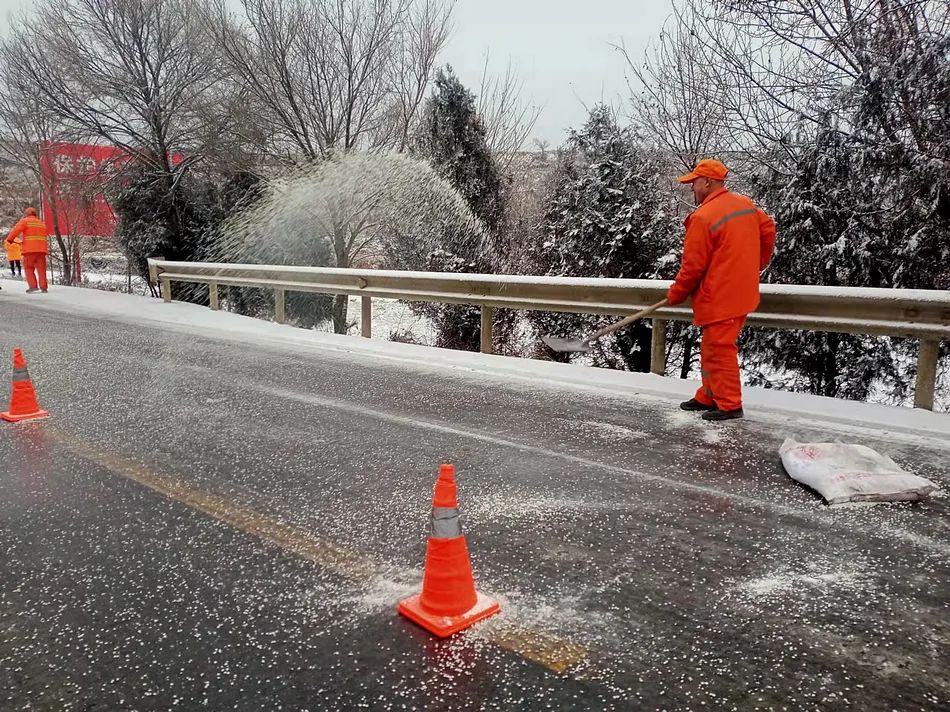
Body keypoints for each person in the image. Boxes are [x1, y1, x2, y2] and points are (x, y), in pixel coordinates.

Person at [666, 159, 776, 421]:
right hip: (741, 291)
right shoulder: (744, 205)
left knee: (720, 347)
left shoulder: (704, 217)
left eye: (694, 182)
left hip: (720, 295)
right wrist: (756, 263)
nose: (692, 188)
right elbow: (768, 229)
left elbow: (692, 266)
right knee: (712, 346)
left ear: (708, 181)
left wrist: (677, 293)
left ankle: (729, 404)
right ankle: (708, 394)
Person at [6, 207, 49, 294]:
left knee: (29, 268)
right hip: (41, 250)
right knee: (41, 269)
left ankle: (33, 286)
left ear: (27, 214)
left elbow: (16, 230)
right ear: (35, 214)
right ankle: (44, 287)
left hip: (30, 250)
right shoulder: (41, 223)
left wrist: (10, 239)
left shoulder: (25, 221)